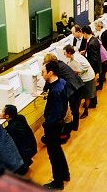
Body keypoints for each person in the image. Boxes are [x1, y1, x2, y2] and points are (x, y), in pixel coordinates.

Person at [41, 61, 70, 190]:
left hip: (53, 126)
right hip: (58, 123)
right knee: (58, 150)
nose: (41, 74)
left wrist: (47, 124)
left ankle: (58, 182)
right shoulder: (61, 82)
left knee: (53, 155)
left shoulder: (55, 91)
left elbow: (56, 113)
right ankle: (65, 174)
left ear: (50, 72)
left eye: (43, 72)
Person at [43, 53, 84, 131]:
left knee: (74, 108)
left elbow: (50, 79)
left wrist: (44, 89)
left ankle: (74, 127)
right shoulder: (60, 63)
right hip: (77, 84)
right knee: (75, 108)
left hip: (74, 88)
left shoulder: (56, 68)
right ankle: (74, 126)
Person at [0, 104, 37, 175]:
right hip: (31, 146)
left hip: (25, 153)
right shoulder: (20, 117)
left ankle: (22, 168)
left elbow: (2, 132)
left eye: (2, 112)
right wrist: (4, 116)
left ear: (7, 116)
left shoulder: (11, 128)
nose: (1, 113)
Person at [63, 45, 96, 119]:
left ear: (69, 53)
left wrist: (78, 71)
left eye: (65, 53)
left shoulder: (77, 58)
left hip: (88, 78)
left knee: (87, 95)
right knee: (80, 95)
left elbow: (86, 66)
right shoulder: (72, 58)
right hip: (82, 78)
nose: (64, 54)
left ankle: (86, 111)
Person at [80, 25, 100, 102]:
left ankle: (93, 102)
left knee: (92, 87)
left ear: (85, 33)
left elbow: (94, 59)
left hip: (93, 68)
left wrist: (95, 71)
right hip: (94, 67)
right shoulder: (94, 39)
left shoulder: (91, 43)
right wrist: (85, 52)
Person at [94, 20, 107, 90]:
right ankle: (102, 78)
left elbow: (105, 45)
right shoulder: (102, 32)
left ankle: (101, 81)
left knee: (102, 69)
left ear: (99, 26)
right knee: (103, 69)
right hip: (104, 53)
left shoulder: (104, 34)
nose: (95, 28)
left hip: (104, 54)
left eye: (96, 27)